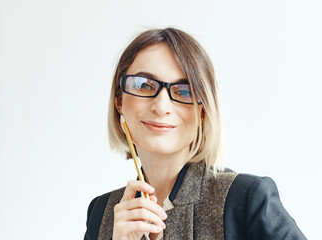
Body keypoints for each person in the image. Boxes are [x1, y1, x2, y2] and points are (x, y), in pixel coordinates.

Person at [84, 28, 306, 240]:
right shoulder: (102, 213)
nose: (161, 106)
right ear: (119, 101)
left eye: (183, 91)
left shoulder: (247, 198)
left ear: (203, 110)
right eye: (144, 85)